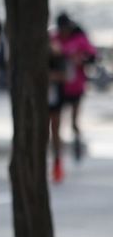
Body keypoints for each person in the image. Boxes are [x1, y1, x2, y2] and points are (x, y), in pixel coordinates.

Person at [50, 12, 96, 181]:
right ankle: (58, 159)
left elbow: (92, 56)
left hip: (76, 87)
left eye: (66, 29)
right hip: (60, 88)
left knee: (74, 122)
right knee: (56, 126)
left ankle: (76, 139)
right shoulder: (53, 39)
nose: (64, 32)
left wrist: (81, 60)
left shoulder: (80, 39)